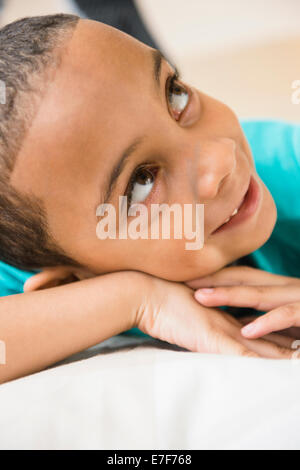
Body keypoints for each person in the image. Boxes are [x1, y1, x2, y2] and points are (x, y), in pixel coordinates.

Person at [0, 14, 298, 384]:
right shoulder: (40, 252)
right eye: (142, 182)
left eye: (175, 94)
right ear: (73, 284)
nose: (222, 159)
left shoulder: (287, 165)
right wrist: (137, 300)